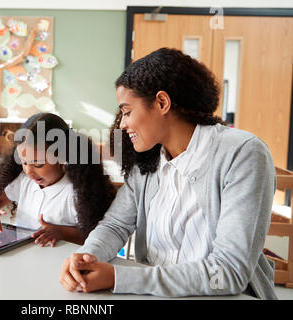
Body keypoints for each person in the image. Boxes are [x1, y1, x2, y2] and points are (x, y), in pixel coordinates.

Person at [59, 48, 277, 299]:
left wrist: (118, 277)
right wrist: (86, 257)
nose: (122, 124)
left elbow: (227, 271)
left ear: (162, 102)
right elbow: (116, 225)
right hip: (153, 293)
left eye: (127, 111)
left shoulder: (242, 153)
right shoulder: (148, 159)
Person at [0, 112, 117, 247]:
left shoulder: (79, 192)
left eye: (38, 164)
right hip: (24, 259)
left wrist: (62, 232)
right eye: (24, 162)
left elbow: (96, 237)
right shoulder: (24, 182)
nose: (29, 172)